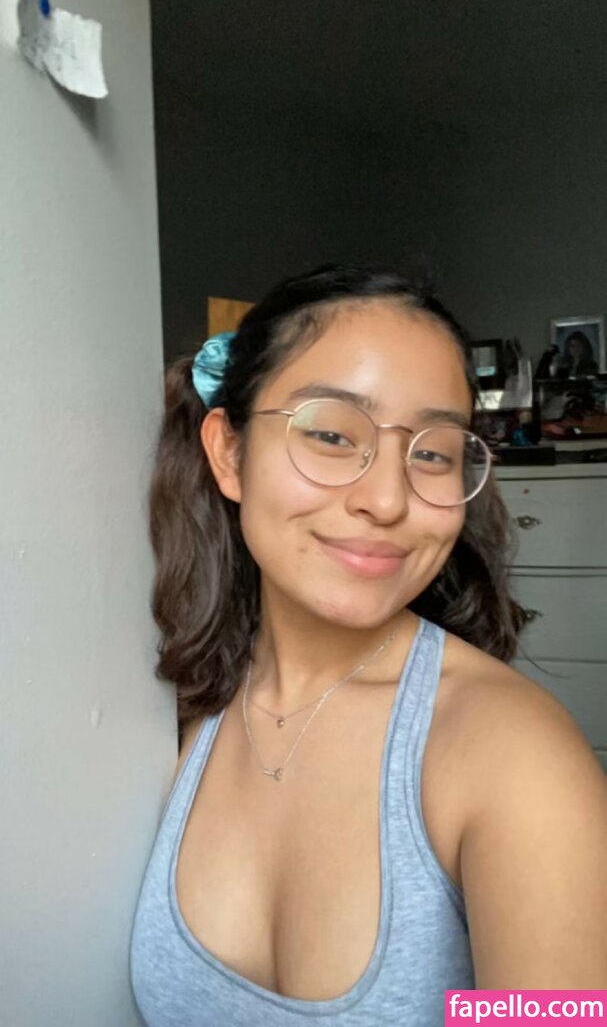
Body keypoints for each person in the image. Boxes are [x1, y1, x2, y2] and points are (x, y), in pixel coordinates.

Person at [130, 264, 607, 1025]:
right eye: (329, 434)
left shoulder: (514, 759)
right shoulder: (179, 713)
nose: (387, 500)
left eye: (433, 453)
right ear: (228, 454)